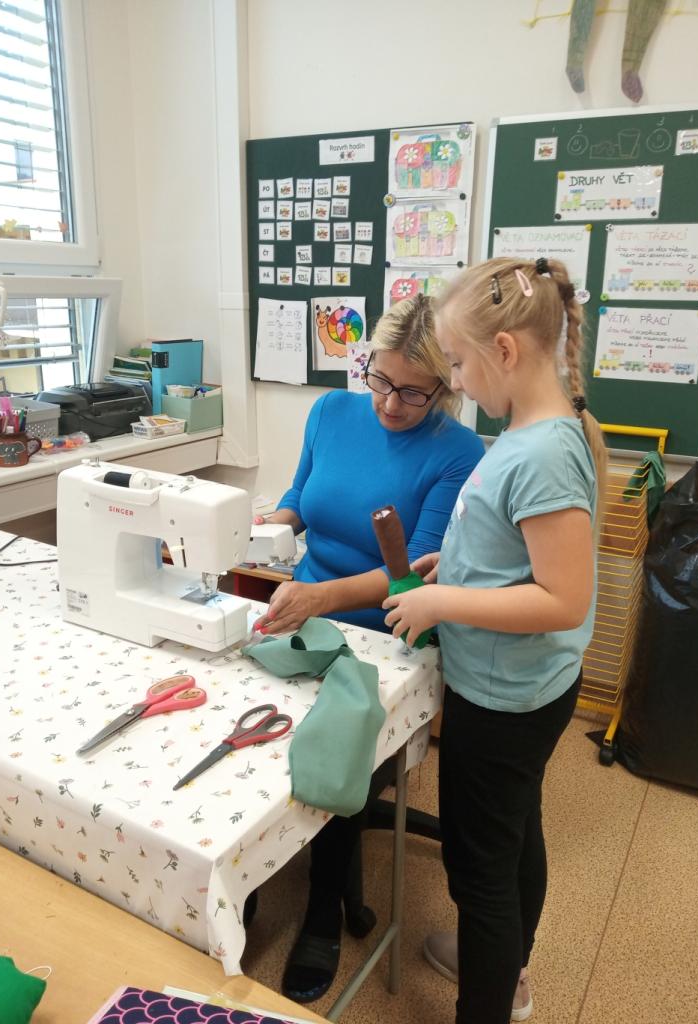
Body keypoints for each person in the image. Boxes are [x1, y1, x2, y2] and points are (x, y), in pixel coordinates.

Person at [383, 257, 607, 1024]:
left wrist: (443, 598)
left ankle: (489, 994)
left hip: (504, 699)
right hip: (515, 686)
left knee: (478, 867)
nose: (455, 380)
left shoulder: (543, 453)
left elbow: (563, 599)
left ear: (504, 350)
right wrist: (453, 563)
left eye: (456, 362)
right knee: (512, 835)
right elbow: (515, 550)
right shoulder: (527, 433)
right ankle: (506, 970)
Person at [254, 293, 485, 1004]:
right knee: (247, 731)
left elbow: (415, 571)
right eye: (380, 380)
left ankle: (324, 911)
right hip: (306, 610)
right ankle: (248, 880)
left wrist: (320, 597)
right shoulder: (330, 411)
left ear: (445, 386)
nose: (389, 403)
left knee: (340, 750)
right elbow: (299, 499)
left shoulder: (459, 452)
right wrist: (262, 527)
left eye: (414, 392)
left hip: (390, 632)